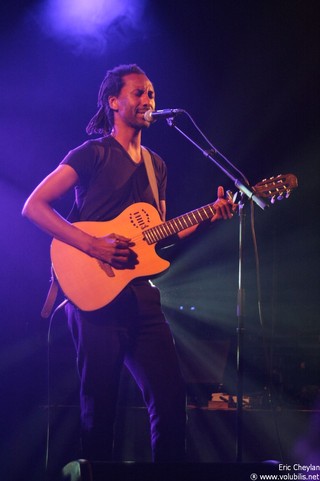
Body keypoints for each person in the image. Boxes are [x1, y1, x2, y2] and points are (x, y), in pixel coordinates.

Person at [22, 64, 233, 463]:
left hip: (141, 297)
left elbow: (162, 236)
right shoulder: (92, 154)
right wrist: (93, 244)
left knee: (171, 405)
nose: (148, 101)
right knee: (99, 411)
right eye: (138, 93)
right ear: (113, 102)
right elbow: (34, 205)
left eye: (151, 94)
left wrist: (208, 215)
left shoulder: (157, 166)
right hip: (94, 296)